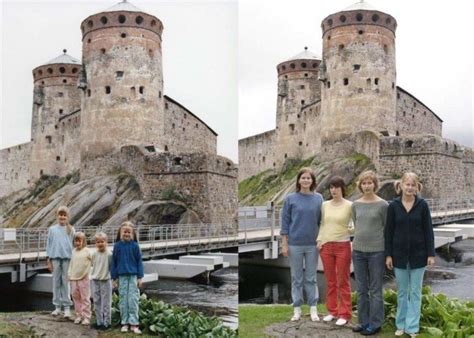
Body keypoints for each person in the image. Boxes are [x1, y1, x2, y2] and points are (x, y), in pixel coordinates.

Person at [385, 172, 435, 338]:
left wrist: (431, 254)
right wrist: (388, 255)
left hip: (419, 255)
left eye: (413, 185)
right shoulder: (393, 206)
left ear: (416, 187)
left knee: (415, 292)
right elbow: (388, 232)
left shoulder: (422, 205)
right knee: (401, 292)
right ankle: (400, 324)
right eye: (407, 184)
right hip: (398, 255)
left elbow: (428, 231)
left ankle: (412, 327)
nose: (410, 188)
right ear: (401, 185)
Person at [281, 167, 323, 322]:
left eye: (309, 178)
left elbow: (322, 221)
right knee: (296, 278)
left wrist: (321, 239)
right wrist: (284, 244)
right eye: (303, 178)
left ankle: (313, 308)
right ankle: (297, 309)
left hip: (312, 244)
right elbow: (285, 223)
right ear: (299, 180)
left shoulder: (319, 198)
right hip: (294, 244)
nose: (306, 180)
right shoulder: (290, 199)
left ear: (312, 181)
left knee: (311, 278)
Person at [351, 171, 388, 335]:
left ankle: (375, 323)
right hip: (358, 251)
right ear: (360, 185)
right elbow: (356, 224)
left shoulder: (383, 205)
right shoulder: (356, 204)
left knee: (375, 289)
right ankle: (363, 321)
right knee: (361, 289)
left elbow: (386, 228)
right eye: (364, 183)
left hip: (376, 251)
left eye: (370, 183)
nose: (367, 186)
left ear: (375, 184)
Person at [317, 176, 352, 326]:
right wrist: (319, 239)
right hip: (326, 246)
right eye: (331, 188)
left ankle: (344, 313)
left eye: (336, 187)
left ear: (342, 188)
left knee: (343, 280)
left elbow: (356, 224)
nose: (333, 190)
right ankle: (332, 311)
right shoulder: (325, 205)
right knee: (330, 281)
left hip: (343, 245)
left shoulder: (350, 205)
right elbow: (323, 224)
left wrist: (349, 230)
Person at [111, 221, 144, 334]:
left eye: (129, 232)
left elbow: (139, 262)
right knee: (123, 299)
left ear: (133, 234)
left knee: (133, 299)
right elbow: (114, 262)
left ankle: (134, 323)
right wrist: (114, 278)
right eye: (124, 231)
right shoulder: (117, 246)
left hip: (133, 276)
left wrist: (140, 277)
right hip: (122, 276)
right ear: (120, 233)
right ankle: (124, 322)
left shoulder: (135, 246)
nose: (126, 234)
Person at [46, 205, 75, 318]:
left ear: (67, 216)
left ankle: (67, 307)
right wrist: (48, 259)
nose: (62, 217)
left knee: (65, 283)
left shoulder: (71, 229)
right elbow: (48, 244)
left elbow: (74, 244)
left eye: (64, 215)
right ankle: (57, 306)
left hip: (67, 258)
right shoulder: (52, 229)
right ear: (57, 216)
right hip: (55, 258)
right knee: (56, 282)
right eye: (60, 215)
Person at [68, 231, 92, 325]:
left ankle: (86, 317)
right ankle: (79, 315)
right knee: (75, 296)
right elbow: (71, 264)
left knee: (85, 297)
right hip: (74, 278)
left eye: (79, 241)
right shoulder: (73, 251)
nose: (77, 243)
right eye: (76, 241)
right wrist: (69, 274)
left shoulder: (88, 251)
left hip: (83, 277)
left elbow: (93, 261)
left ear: (84, 241)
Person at [91, 232, 112, 330]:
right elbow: (92, 265)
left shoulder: (109, 254)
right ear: (96, 243)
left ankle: (106, 322)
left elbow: (112, 267)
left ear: (106, 242)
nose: (100, 244)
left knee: (106, 302)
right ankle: (99, 322)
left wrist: (114, 278)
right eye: (98, 242)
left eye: (102, 242)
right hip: (95, 279)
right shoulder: (94, 254)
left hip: (105, 280)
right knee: (96, 301)